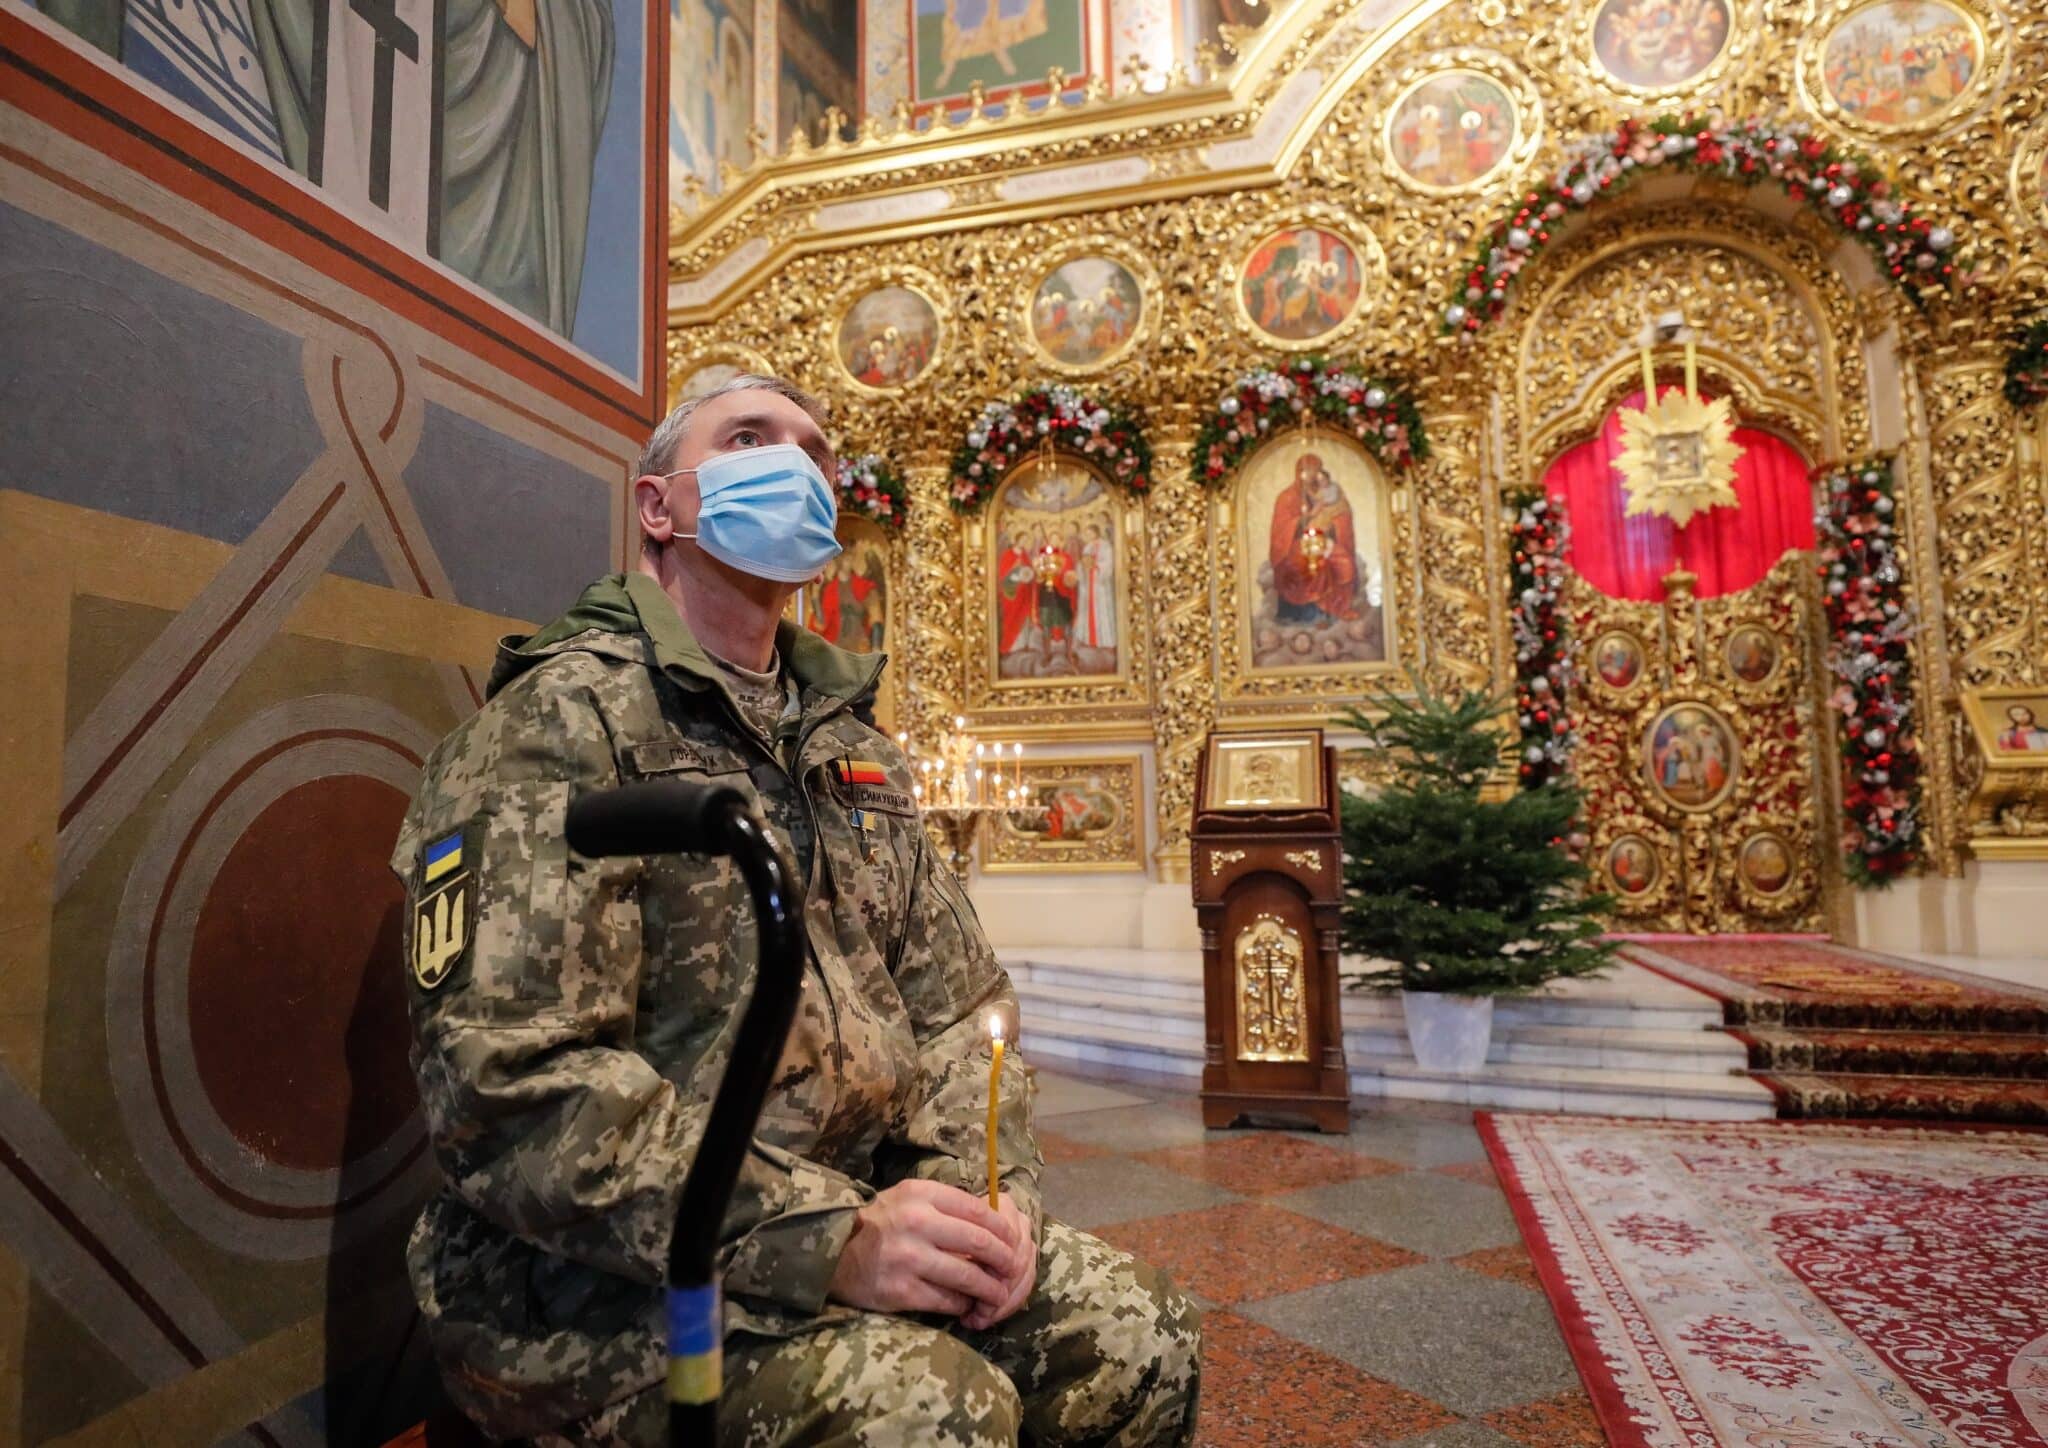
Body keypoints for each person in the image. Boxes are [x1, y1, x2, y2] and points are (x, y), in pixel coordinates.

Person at [392, 375, 1200, 1446]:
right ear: (657, 508)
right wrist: (827, 1236)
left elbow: (961, 1008)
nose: (797, 465)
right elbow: (510, 1091)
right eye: (749, 438)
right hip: (596, 1287)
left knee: (1141, 1336)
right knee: (930, 1414)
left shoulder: (849, 746)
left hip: (856, 1207)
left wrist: (972, 1197)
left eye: (815, 451)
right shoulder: (557, 727)